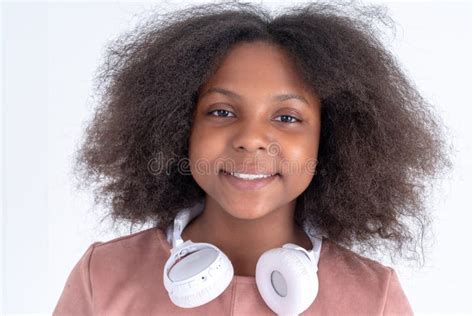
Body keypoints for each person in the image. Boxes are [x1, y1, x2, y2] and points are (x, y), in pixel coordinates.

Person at [53, 1, 453, 315]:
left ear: (330, 140)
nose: (251, 140)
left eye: (287, 117)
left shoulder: (373, 298)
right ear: (179, 126)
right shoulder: (104, 276)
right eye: (222, 111)